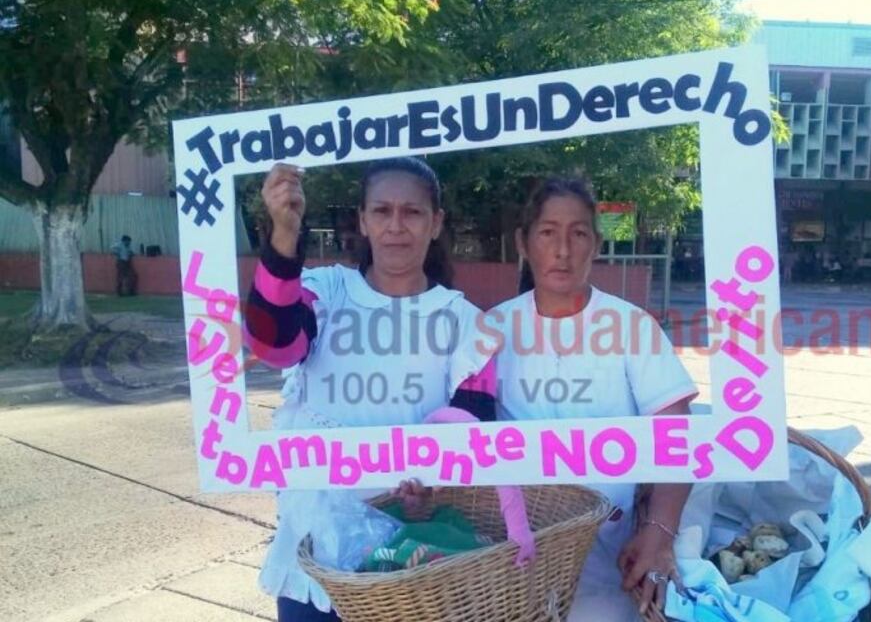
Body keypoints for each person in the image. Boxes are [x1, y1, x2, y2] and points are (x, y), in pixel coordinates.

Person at [243, 158, 497, 622]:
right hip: (315, 558)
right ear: (362, 219)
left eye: (413, 212)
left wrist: (437, 490)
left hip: (412, 561)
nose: (396, 226)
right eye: (381, 211)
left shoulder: (468, 324)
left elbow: (475, 432)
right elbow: (273, 342)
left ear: (436, 222)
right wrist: (284, 231)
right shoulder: (326, 291)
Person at [484, 178, 697, 621]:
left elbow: (677, 436)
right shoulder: (490, 329)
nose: (562, 249)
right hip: (511, 561)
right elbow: (465, 431)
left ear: (595, 244)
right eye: (547, 232)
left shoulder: (632, 328)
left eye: (578, 233)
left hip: (612, 558)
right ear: (524, 242)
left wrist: (659, 535)